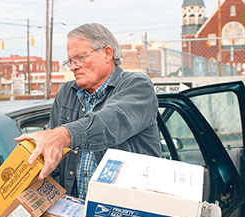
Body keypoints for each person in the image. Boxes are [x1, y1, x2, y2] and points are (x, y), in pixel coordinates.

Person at [15, 23, 161, 200]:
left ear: (107, 53)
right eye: (70, 61)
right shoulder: (66, 93)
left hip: (126, 209)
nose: (73, 67)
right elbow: (53, 158)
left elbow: (109, 123)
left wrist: (62, 135)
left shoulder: (137, 85)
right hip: (72, 209)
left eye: (80, 58)